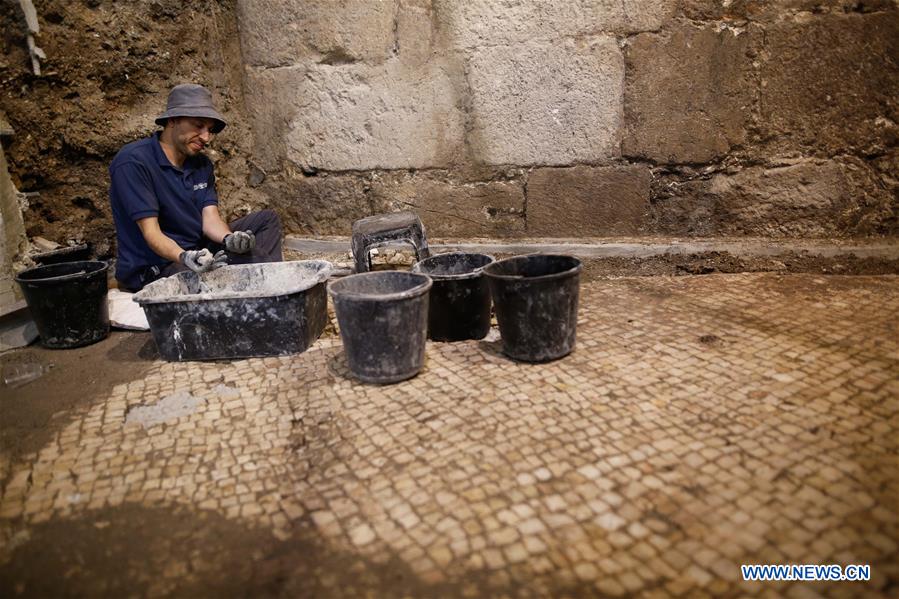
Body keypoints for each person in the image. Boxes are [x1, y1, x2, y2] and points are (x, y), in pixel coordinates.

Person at [109, 83, 282, 291]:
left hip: (196, 250)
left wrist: (230, 239)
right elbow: (151, 234)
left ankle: (266, 284)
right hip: (157, 266)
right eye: (198, 126)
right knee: (254, 260)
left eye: (209, 130)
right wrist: (184, 256)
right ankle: (267, 287)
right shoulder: (134, 162)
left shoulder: (201, 164)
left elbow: (209, 219)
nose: (206, 137)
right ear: (173, 120)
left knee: (266, 221)